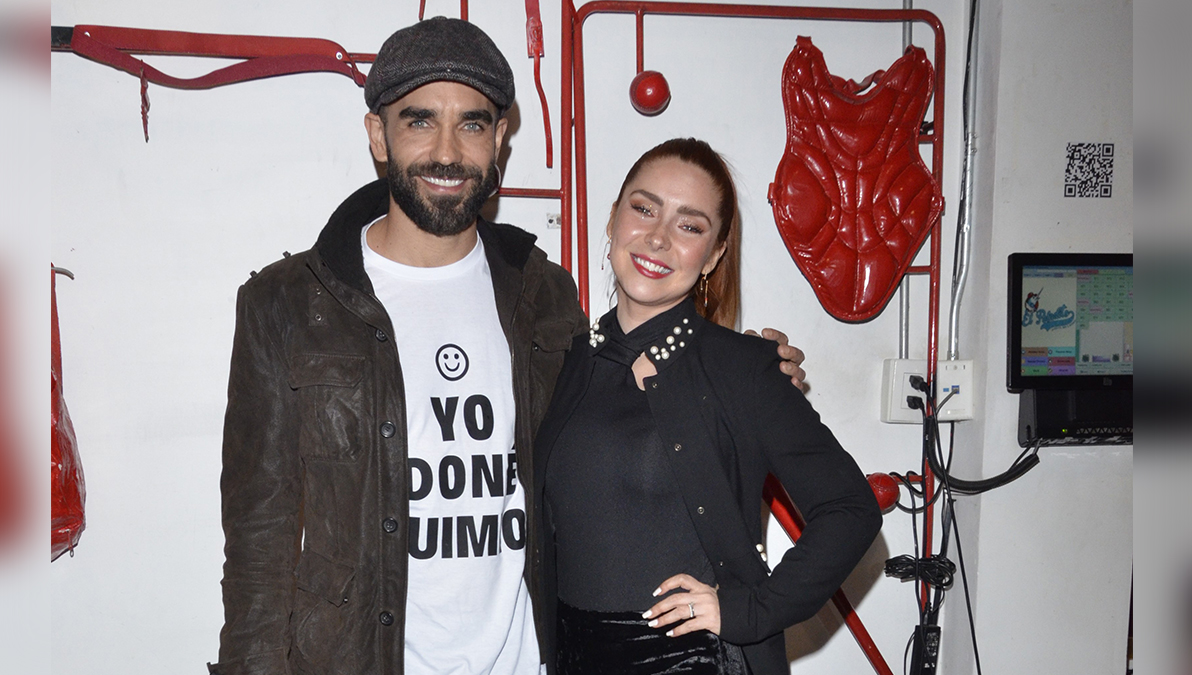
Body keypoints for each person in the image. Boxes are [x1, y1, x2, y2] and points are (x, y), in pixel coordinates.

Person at [210, 18, 807, 675]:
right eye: (419, 121)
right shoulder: (288, 304)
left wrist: (741, 371)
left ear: (498, 141)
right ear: (378, 135)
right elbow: (259, 536)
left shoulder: (542, 294)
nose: (447, 152)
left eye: (471, 124)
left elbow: (628, 400)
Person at [533, 138, 882, 675]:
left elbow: (851, 509)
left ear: (714, 255)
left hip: (692, 662)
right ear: (613, 219)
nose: (658, 237)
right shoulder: (559, 360)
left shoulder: (745, 369)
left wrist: (748, 610)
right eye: (644, 208)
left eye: (689, 226)